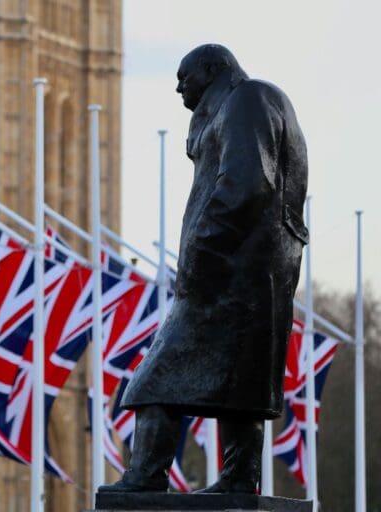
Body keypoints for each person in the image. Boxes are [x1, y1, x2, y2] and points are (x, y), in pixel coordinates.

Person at [100, 44, 309, 494]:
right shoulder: (251, 103)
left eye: (185, 76)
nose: (179, 86)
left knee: (154, 379)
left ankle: (146, 476)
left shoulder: (247, 100)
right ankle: (239, 479)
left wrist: (202, 248)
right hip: (256, 271)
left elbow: (248, 183)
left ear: (214, 69)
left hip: (230, 271)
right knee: (243, 386)